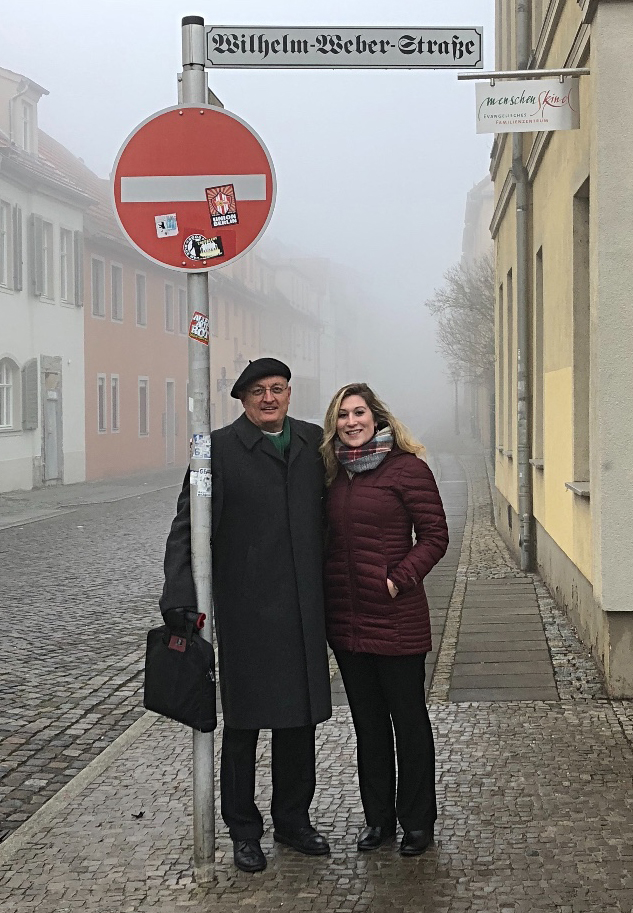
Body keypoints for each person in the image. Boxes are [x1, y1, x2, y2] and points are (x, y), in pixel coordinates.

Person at [160, 358, 332, 873]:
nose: (268, 398)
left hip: (304, 606)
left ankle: (293, 820)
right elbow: (188, 527)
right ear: (242, 398)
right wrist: (179, 596)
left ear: (288, 394)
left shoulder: (311, 442)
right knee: (243, 724)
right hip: (246, 608)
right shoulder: (215, 449)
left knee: (299, 721)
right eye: (258, 391)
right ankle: (243, 828)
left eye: (277, 389)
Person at [321, 383, 448, 857]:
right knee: (369, 726)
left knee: (408, 723)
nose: (351, 422)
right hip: (349, 625)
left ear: (376, 417)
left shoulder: (407, 469)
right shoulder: (333, 475)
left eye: (359, 413)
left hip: (397, 619)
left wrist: (397, 580)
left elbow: (435, 535)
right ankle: (378, 821)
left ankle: (417, 821)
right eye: (342, 415)